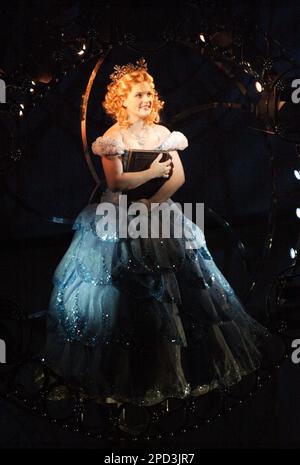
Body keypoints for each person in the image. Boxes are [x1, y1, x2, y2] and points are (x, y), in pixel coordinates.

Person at [42, 58, 272, 406]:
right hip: (119, 215)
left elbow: (178, 177)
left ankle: (172, 368)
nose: (146, 99)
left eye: (149, 93)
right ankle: (124, 377)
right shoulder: (112, 139)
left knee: (174, 286)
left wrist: (153, 202)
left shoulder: (163, 134)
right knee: (123, 287)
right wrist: (151, 172)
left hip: (158, 212)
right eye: (138, 94)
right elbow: (117, 181)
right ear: (122, 100)